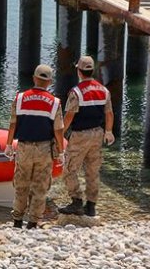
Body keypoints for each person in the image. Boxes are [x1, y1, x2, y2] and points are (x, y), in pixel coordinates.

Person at [4, 64, 65, 229]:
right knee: (40, 186)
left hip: (23, 147)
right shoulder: (55, 102)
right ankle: (33, 222)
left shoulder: (20, 98)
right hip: (45, 148)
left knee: (21, 184)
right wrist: (61, 151)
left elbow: (12, 124)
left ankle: (17, 220)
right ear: (50, 82)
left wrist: (9, 145)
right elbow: (58, 129)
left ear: (34, 78)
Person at [58, 56, 114, 217]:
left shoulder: (76, 92)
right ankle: (91, 206)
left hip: (80, 135)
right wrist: (109, 131)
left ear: (79, 71)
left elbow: (69, 116)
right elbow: (109, 113)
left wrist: (59, 135)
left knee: (69, 169)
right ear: (92, 71)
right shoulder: (104, 90)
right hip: (98, 133)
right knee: (92, 170)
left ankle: (76, 201)